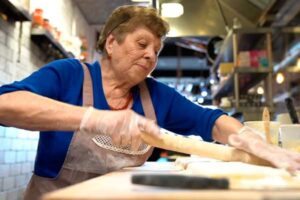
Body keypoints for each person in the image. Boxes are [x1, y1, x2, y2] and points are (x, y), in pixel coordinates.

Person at [0, 5, 299, 200]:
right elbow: (6, 103)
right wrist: (93, 118)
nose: (151, 56)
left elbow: (210, 121)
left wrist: (254, 142)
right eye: (142, 44)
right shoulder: (69, 75)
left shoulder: (156, 96)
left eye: (156, 50)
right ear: (112, 42)